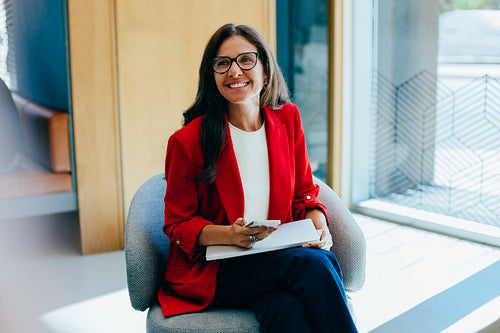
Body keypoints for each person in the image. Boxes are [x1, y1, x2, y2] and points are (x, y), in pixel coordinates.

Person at [159, 23, 358, 333]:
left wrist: (320, 227)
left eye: (246, 60)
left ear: (265, 70)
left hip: (276, 258)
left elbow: (305, 193)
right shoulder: (188, 141)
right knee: (313, 265)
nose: (234, 71)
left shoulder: (287, 118)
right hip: (216, 270)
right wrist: (230, 234)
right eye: (223, 63)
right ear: (212, 77)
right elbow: (176, 224)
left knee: (285, 309)